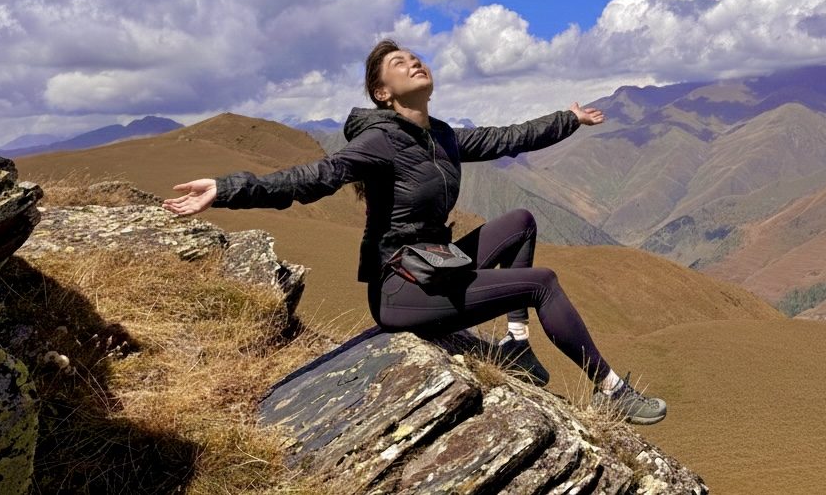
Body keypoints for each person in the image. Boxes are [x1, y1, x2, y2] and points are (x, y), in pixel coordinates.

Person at [162, 39, 667, 424]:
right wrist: (226, 189)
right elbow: (312, 179)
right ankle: (612, 390)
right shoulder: (381, 141)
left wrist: (569, 119)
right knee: (542, 281)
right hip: (404, 289)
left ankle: (515, 343)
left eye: (415, 57)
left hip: (437, 265)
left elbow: (506, 138)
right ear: (383, 93)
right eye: (399, 64)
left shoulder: (441, 135)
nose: (414, 63)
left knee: (521, 222)